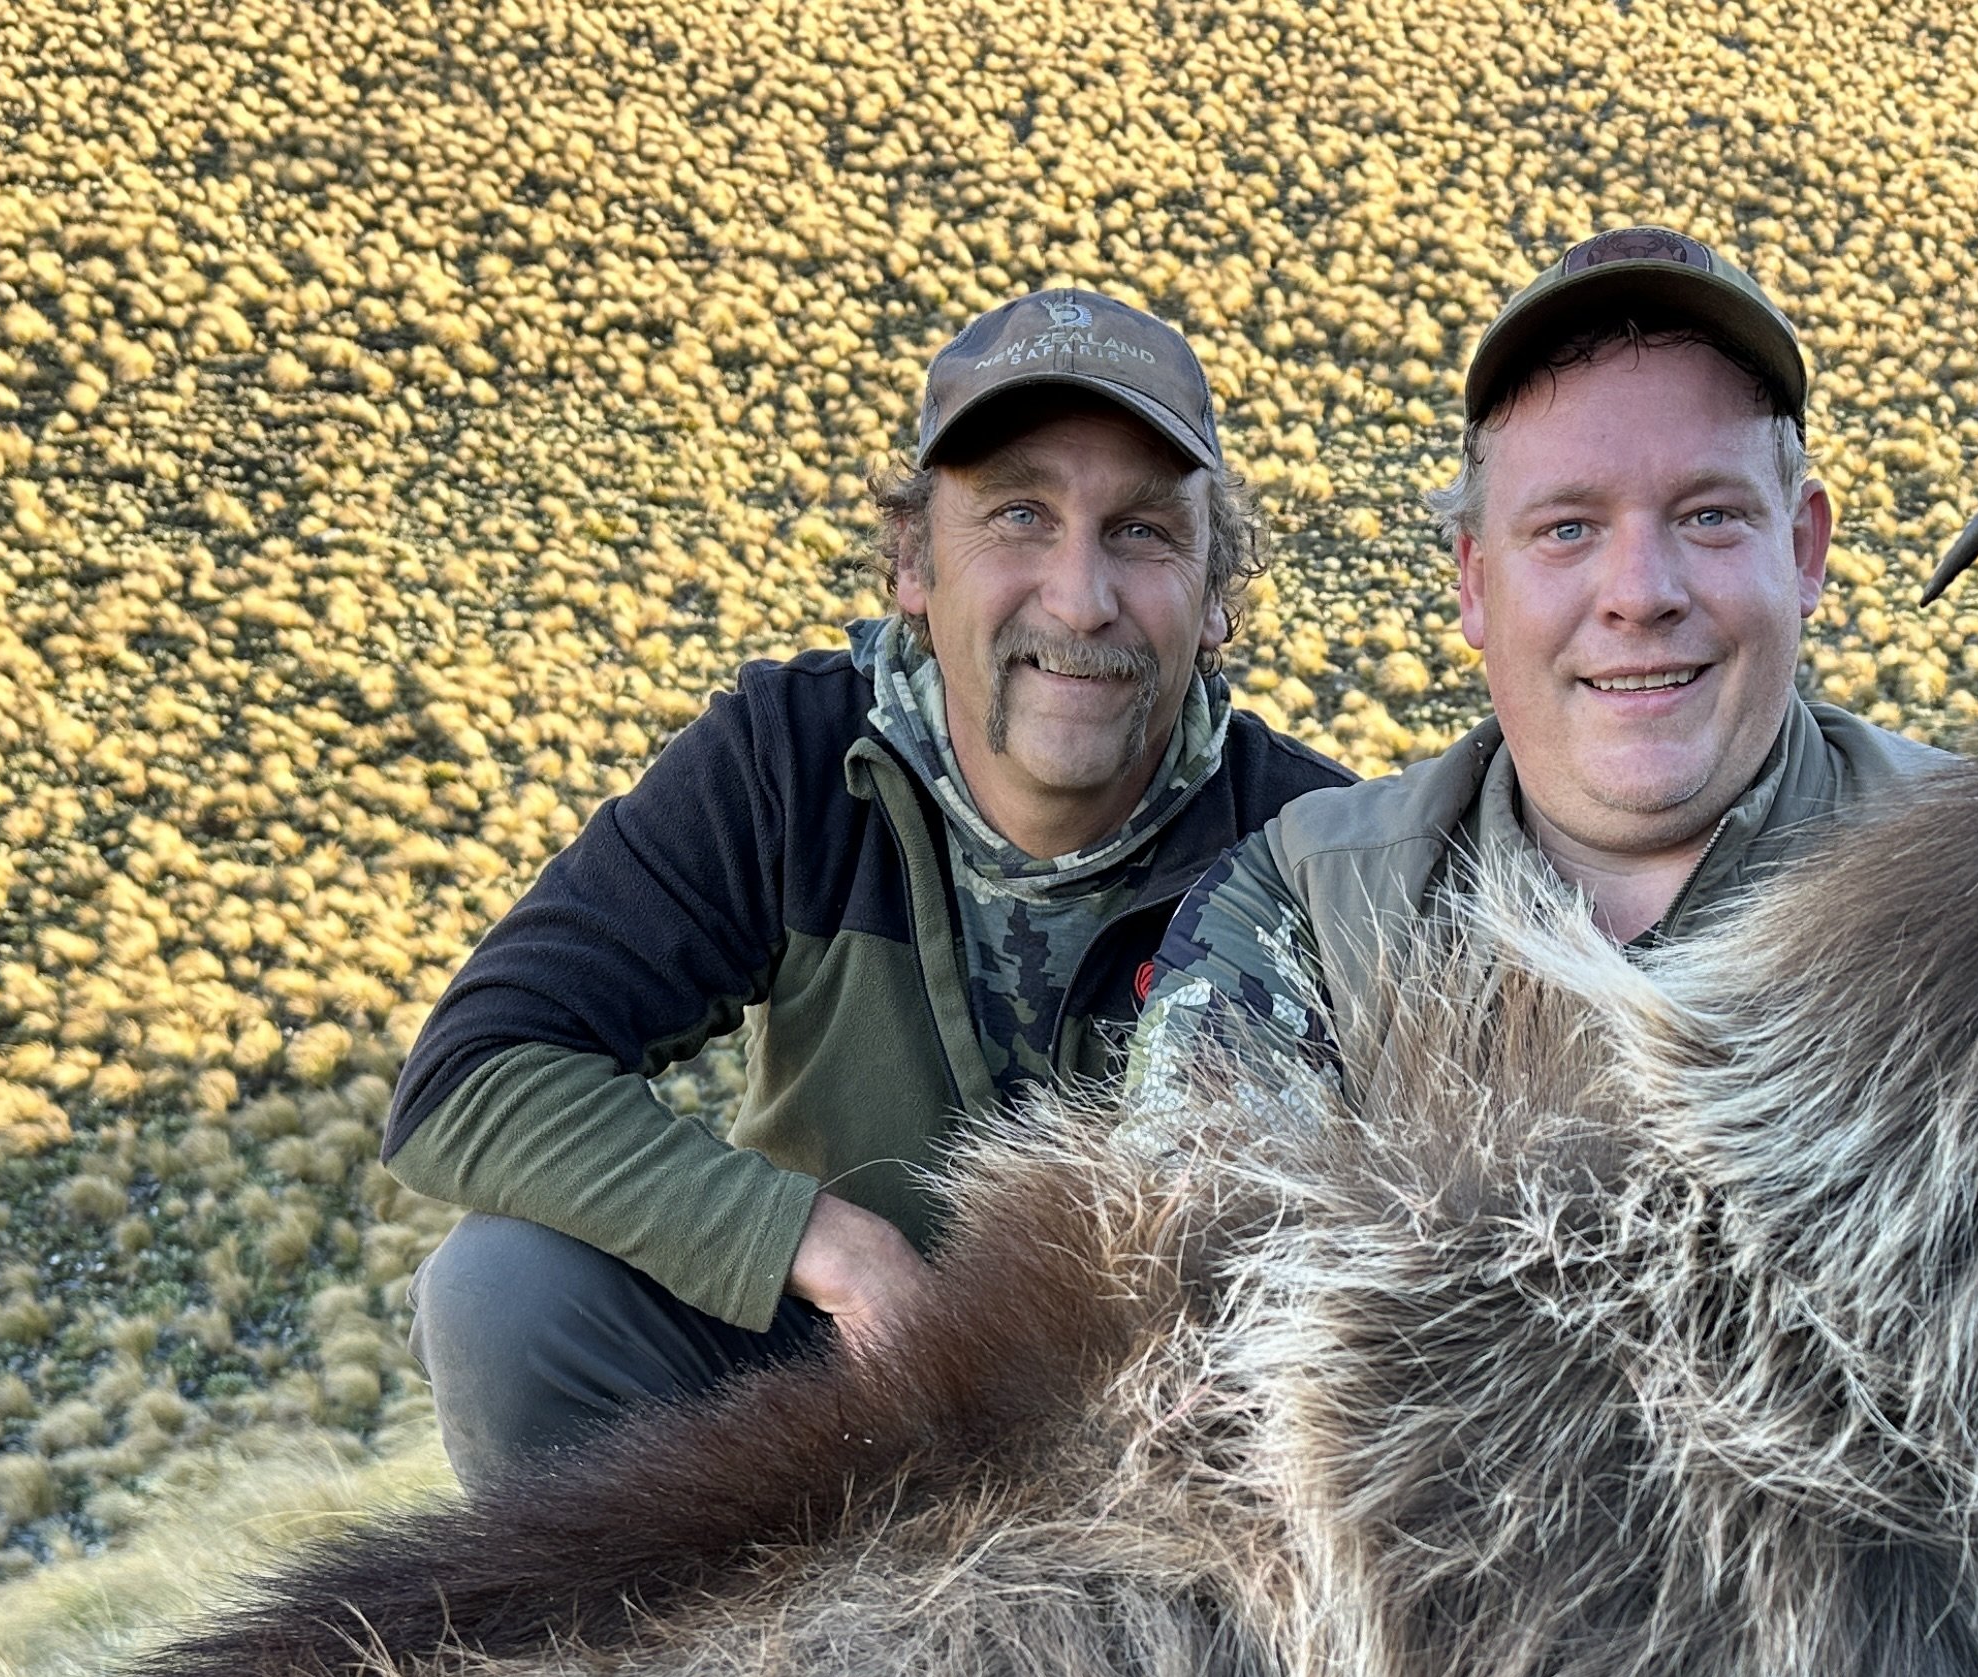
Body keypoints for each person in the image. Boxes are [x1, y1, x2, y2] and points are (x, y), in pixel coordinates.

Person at [382, 291, 1346, 1488]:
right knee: (501, 1293)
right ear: (912, 561)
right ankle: (630, 1668)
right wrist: (822, 1246)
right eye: (1019, 516)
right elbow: (471, 1078)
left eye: (1143, 532)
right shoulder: (789, 760)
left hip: (1161, 1448)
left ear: (1214, 597)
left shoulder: (1312, 851)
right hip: (829, 1391)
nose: (1081, 595)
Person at [1132, 228, 1946, 1090]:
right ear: (1476, 582)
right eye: (1568, 529)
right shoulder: (1309, 904)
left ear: (1803, 549)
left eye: (1709, 515)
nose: (1639, 592)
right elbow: (1183, 1213)